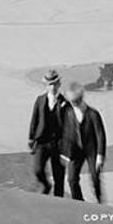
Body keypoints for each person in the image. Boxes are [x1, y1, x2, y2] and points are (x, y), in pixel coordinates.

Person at [60, 82, 106, 203]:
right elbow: (66, 134)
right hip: (75, 151)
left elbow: (100, 135)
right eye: (72, 101)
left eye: (75, 100)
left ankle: (99, 200)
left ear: (81, 99)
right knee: (71, 179)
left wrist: (100, 156)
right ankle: (79, 202)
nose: (73, 103)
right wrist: (65, 153)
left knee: (95, 178)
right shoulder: (68, 113)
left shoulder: (93, 114)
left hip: (92, 151)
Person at [27, 69, 68, 197]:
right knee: (38, 170)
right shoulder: (40, 100)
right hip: (42, 143)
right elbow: (35, 119)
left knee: (59, 177)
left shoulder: (65, 103)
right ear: (46, 86)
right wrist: (31, 138)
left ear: (59, 84)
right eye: (50, 84)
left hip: (58, 145)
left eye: (56, 84)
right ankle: (46, 184)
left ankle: (58, 202)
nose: (53, 87)